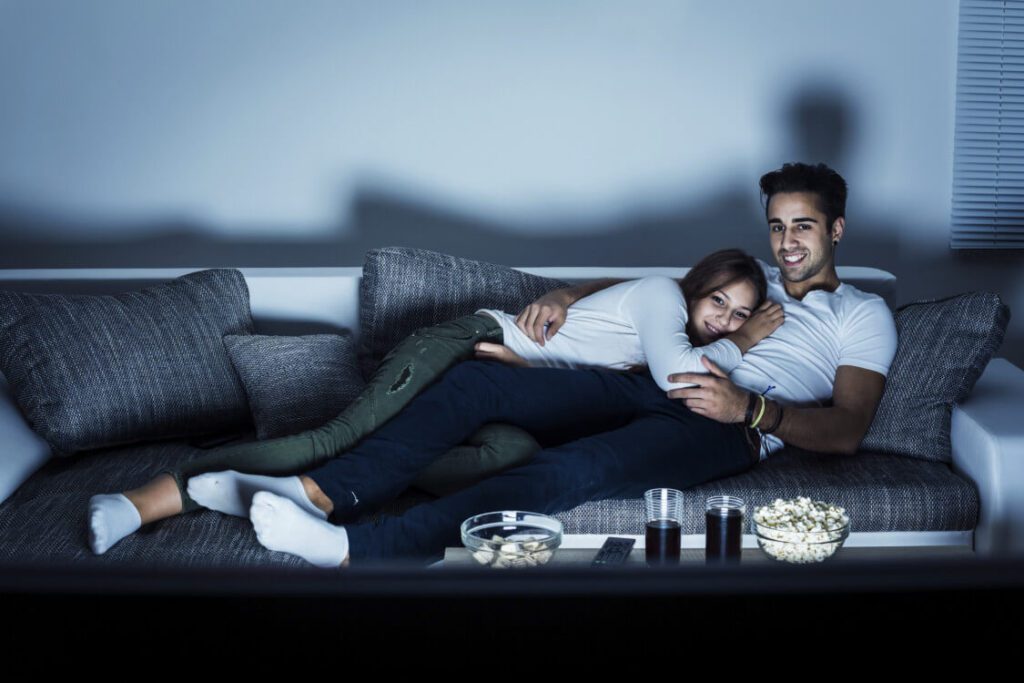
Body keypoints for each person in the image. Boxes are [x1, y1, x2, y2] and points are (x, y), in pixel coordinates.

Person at [226, 161, 899, 568]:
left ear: (835, 229)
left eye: (803, 227)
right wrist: (565, 293)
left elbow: (846, 429)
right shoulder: (752, 285)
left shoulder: (861, 314)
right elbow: (665, 293)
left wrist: (751, 408)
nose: (786, 242)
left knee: (573, 471)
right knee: (477, 379)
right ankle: (327, 492)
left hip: (723, 425)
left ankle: (357, 552)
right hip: (644, 380)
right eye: (778, 226)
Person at [88, 248, 783, 555]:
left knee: (509, 456)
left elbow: (603, 344)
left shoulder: (662, 325)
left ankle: (293, 493)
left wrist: (559, 314)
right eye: (718, 301)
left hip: (507, 380)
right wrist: (747, 340)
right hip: (465, 344)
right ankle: (146, 500)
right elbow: (682, 380)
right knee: (334, 442)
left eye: (740, 312)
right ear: (694, 291)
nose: (724, 318)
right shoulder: (670, 311)